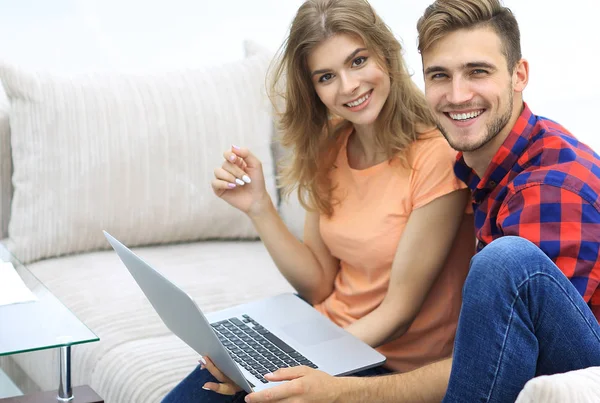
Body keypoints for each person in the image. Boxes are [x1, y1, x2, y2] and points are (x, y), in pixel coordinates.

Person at [201, 0, 600, 402]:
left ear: (519, 75)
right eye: (440, 75)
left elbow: (524, 359)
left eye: (478, 71)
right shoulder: (477, 168)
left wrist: (333, 388)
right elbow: (321, 282)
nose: (458, 95)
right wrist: (259, 207)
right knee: (207, 385)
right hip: (346, 337)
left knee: (505, 261)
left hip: (568, 368)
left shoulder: (549, 188)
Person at [161, 0, 476, 402]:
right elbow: (319, 284)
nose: (348, 86)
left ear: (386, 54)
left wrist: (290, 363)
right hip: (325, 331)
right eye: (327, 76)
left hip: (384, 365)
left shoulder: (436, 156)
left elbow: (398, 314)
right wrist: (259, 207)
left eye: (358, 61)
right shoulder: (331, 145)